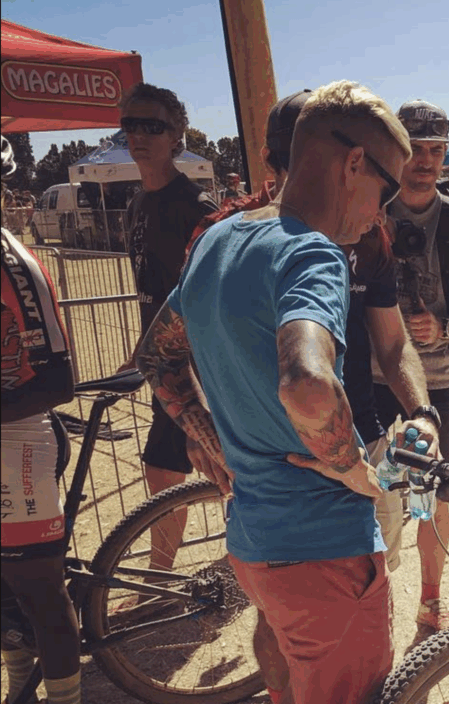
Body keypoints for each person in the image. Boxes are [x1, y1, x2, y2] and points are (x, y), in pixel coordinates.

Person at [134, 80, 412, 704]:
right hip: (326, 553)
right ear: (353, 163)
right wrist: (356, 470)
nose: (383, 211)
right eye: (386, 188)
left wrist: (208, 436)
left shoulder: (218, 240)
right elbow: (308, 383)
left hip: (254, 547)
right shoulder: (315, 254)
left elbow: (157, 356)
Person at [373, 99, 449, 646]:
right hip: (367, 381)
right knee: (370, 493)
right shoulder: (366, 213)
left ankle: (430, 599)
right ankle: (373, 603)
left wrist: (440, 329)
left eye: (435, 150)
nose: (424, 160)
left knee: (432, 494)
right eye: (414, 149)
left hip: (433, 381)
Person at [117, 83, 218, 579]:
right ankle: (161, 573)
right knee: (165, 471)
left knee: (217, 471)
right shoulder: (137, 204)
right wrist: (141, 351)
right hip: (164, 367)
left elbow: (209, 300)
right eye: (130, 125)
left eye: (152, 125)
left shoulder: (195, 206)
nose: (139, 135)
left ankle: (263, 568)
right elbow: (153, 291)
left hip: (198, 372)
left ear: (177, 133)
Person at [1, 135, 81, 704]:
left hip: (18, 441)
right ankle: (17, 687)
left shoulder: (15, 265)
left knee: (40, 595)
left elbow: (58, 382)